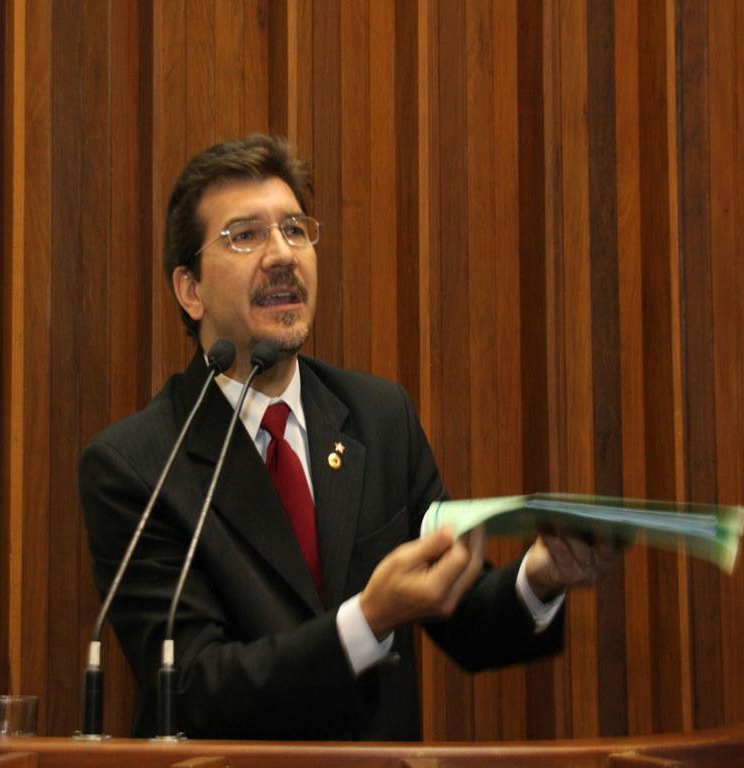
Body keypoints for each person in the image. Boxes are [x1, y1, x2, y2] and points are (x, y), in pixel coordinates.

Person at [79, 134, 618, 740]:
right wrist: (368, 619)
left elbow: (464, 618)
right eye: (246, 235)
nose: (282, 254)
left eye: (295, 229)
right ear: (191, 290)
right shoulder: (136, 464)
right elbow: (193, 688)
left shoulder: (379, 416)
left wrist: (540, 576)